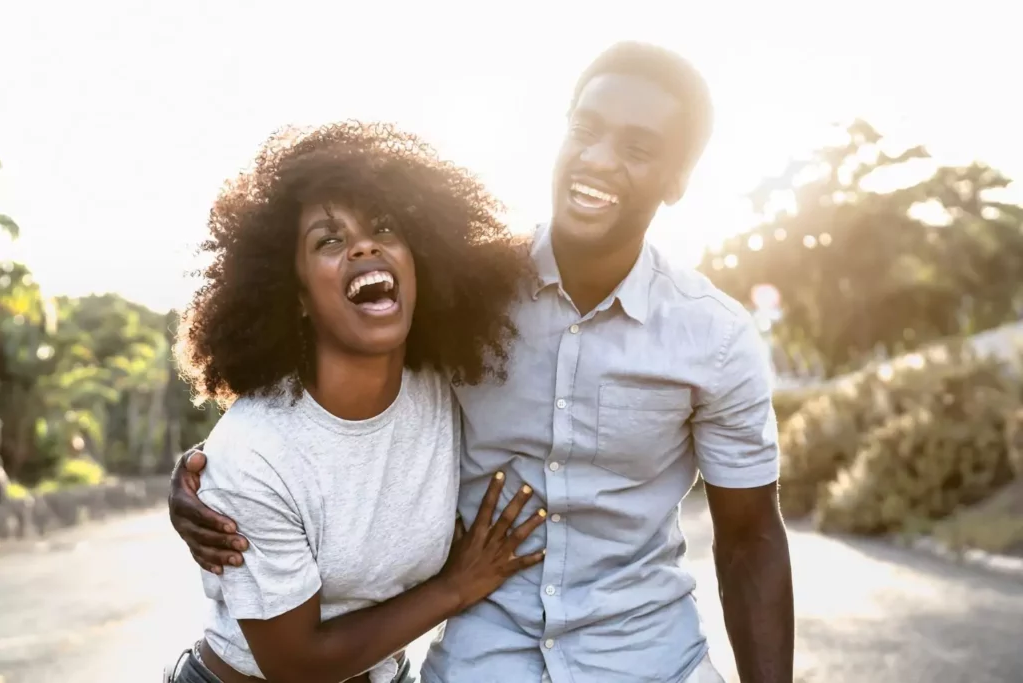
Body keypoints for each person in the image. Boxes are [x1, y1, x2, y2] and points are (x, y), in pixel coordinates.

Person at [170, 42, 795, 683]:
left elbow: (751, 539)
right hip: (481, 664)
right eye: (586, 131)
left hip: (651, 662)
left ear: (678, 179)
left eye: (637, 148)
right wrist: (212, 475)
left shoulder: (715, 338)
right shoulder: (464, 295)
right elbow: (329, 385)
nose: (599, 159)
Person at [163, 121, 549, 683]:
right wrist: (456, 587)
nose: (365, 246)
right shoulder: (252, 454)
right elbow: (295, 665)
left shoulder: (449, 387)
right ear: (296, 294)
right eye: (329, 240)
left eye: (384, 228)